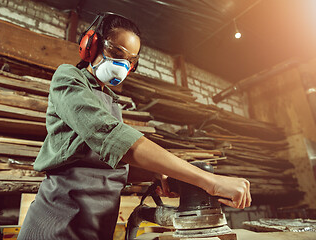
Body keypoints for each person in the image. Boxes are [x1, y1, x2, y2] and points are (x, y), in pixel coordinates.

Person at [18, 12, 251, 240]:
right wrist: (210, 181)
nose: (122, 65)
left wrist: (153, 173)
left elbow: (101, 166)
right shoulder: (69, 78)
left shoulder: (111, 102)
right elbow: (111, 137)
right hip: (57, 221)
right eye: (116, 53)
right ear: (91, 44)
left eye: (130, 61)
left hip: (98, 225)